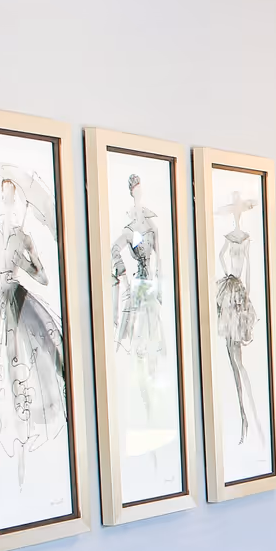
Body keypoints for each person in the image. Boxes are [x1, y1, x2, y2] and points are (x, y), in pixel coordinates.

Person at [0, 176, 65, 486]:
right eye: (4, 195)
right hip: (3, 304)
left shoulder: (23, 236)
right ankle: (15, 435)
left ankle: (33, 430)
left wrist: (25, 261)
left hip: (20, 297)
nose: (8, 202)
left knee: (38, 355)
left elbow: (43, 277)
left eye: (12, 197)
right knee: (10, 365)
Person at [109, 173, 166, 415]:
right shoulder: (131, 229)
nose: (139, 193)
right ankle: (146, 402)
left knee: (153, 339)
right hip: (140, 285)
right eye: (136, 189)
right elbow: (114, 249)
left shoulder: (151, 225)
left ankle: (153, 397)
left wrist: (160, 285)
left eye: (141, 189)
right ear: (132, 192)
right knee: (141, 343)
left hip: (151, 285)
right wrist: (122, 275)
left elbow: (160, 256)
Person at [213, 190, 261, 444]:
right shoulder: (233, 239)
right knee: (233, 358)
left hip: (237, 293)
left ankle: (245, 414)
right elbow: (224, 257)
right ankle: (242, 414)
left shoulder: (241, 239)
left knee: (237, 360)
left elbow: (248, 267)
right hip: (233, 290)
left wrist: (245, 297)